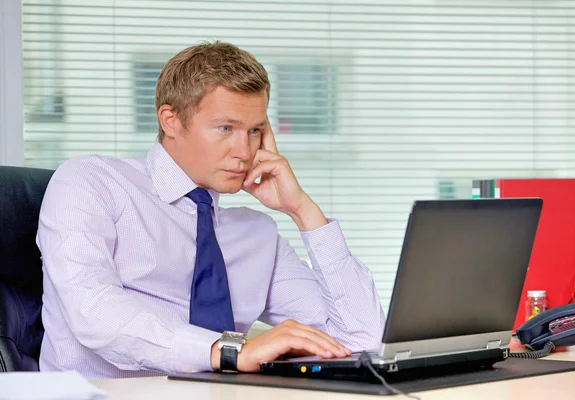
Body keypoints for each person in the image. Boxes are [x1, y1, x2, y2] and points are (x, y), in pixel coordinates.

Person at [36, 41, 385, 379]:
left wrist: (303, 210)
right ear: (171, 120)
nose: (244, 151)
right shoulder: (91, 182)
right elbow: (91, 310)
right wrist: (231, 351)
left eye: (254, 130)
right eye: (225, 128)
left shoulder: (256, 234)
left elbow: (362, 338)